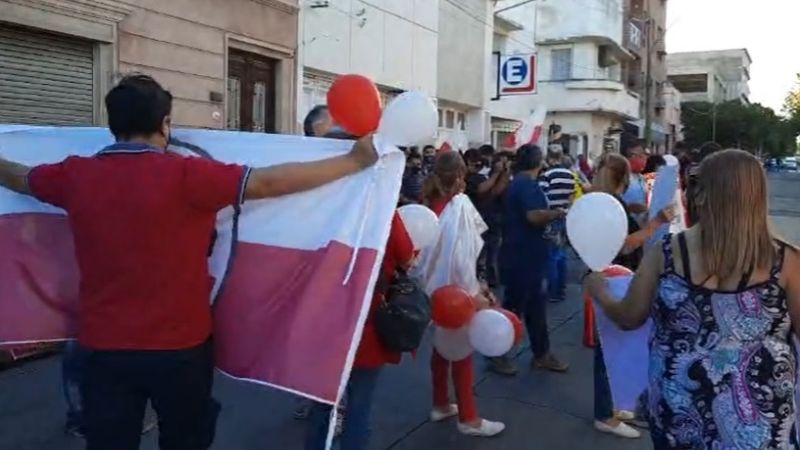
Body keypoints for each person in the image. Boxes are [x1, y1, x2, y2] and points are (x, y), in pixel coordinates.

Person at [0, 74, 379, 450]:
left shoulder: (75, 176)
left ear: (113, 125)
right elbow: (268, 182)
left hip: (105, 348)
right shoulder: (188, 174)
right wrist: (352, 162)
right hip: (180, 349)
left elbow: (20, 177)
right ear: (165, 124)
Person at [585, 149, 800, 449]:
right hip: (759, 425)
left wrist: (601, 292)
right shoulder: (787, 262)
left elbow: (629, 317)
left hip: (678, 413)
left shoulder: (667, 253)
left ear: (701, 195)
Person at [305, 212, 415, 450]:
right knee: (359, 404)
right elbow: (406, 256)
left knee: (322, 403)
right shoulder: (383, 210)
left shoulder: (327, 205)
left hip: (326, 321)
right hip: (367, 324)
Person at [587, 153, 673, 439]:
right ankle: (605, 414)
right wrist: (655, 223)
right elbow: (622, 246)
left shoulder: (599, 201)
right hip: (610, 280)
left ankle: (616, 405)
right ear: (623, 177)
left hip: (608, 278)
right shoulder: (608, 205)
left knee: (616, 347)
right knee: (608, 350)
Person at [423, 152, 505, 437]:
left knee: (441, 348)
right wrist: (476, 293)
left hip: (433, 291)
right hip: (459, 291)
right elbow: (462, 258)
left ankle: (441, 403)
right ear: (460, 176)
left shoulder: (431, 204)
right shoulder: (460, 206)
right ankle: (469, 418)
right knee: (462, 353)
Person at [489, 144, 568, 376]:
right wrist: (557, 213)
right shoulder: (526, 185)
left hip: (527, 254)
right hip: (522, 256)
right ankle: (496, 353)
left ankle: (541, 353)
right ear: (537, 162)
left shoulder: (520, 183)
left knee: (535, 308)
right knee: (514, 308)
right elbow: (533, 216)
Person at [463, 149, 511, 285]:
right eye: (474, 163)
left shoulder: (482, 176)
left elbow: (495, 191)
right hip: (474, 220)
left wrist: (504, 174)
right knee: (478, 253)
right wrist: (496, 174)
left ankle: (491, 278)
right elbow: (480, 189)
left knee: (492, 251)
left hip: (489, 218)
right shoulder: (466, 178)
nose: (478, 166)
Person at [541, 145, 576, 303]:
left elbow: (543, 196)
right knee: (561, 255)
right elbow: (572, 195)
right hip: (565, 216)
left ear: (549, 157)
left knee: (551, 256)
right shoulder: (570, 175)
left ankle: (553, 291)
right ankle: (561, 289)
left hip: (551, 217)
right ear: (561, 156)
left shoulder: (546, 175)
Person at [619, 134, 649, 221]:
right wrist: (630, 208)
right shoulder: (620, 177)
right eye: (639, 156)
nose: (643, 159)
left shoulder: (642, 179)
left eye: (644, 156)